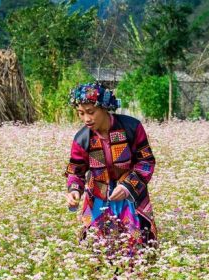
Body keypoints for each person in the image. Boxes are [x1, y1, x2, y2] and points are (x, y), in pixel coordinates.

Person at [64, 83, 157, 252]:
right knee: (97, 249)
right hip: (98, 197)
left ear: (105, 108)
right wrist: (74, 190)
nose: (86, 119)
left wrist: (127, 186)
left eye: (91, 112)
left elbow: (145, 161)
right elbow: (75, 170)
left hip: (130, 197)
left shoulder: (132, 127)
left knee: (136, 246)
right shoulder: (82, 138)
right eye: (81, 113)